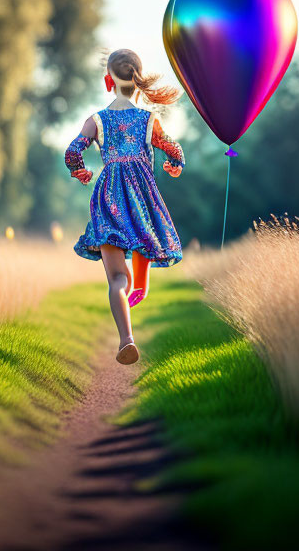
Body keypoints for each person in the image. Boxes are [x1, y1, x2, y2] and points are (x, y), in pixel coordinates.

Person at [64, 48, 185, 365]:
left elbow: (72, 152)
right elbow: (175, 150)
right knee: (144, 240)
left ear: (108, 81)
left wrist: (82, 172)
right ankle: (141, 287)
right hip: (140, 201)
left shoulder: (97, 120)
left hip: (107, 199)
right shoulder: (149, 121)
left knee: (118, 280)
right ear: (138, 81)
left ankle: (126, 339)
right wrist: (175, 165)